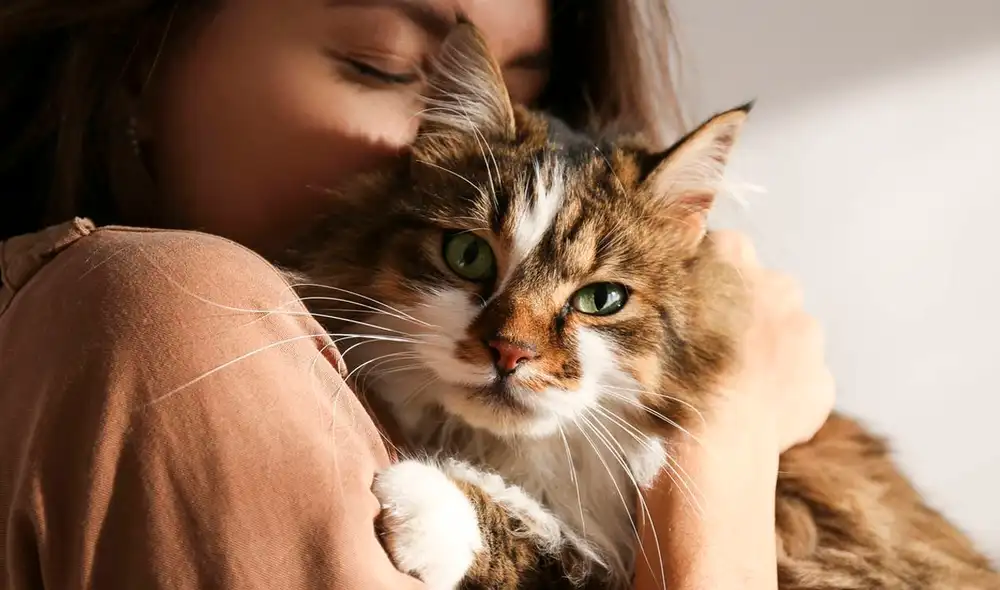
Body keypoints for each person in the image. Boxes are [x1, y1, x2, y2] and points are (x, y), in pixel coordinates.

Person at [0, 0, 834, 588]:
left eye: (525, 93)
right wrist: (726, 446)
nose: (463, 142)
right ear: (140, 61)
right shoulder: (173, 309)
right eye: (389, 67)